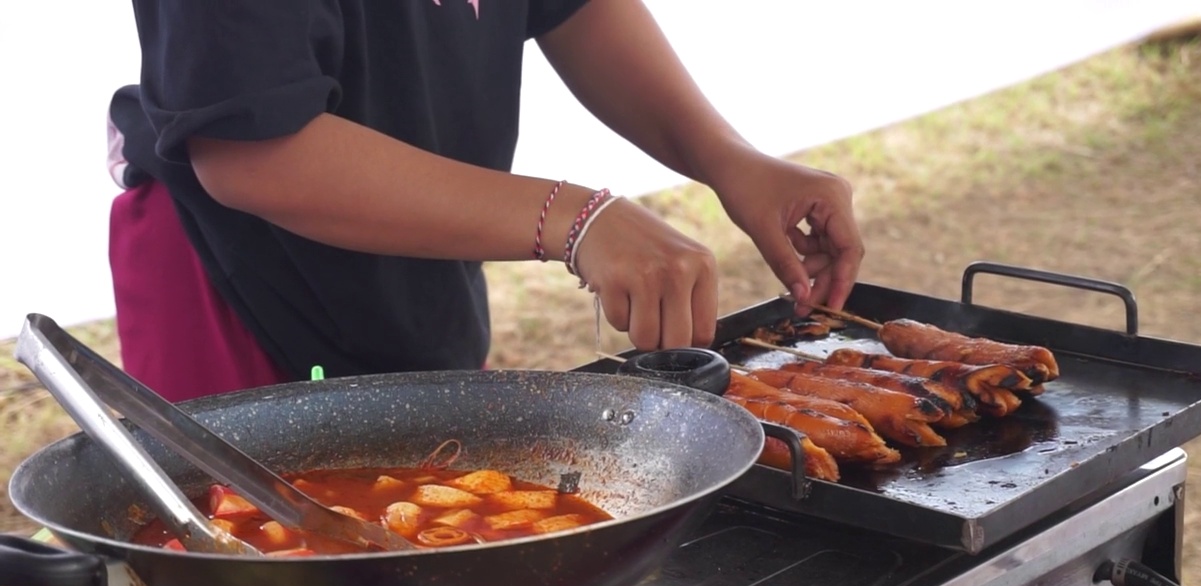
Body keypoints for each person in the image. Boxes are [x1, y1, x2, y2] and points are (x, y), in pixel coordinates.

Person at [107, 0, 865, 403]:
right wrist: (575, 218)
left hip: (414, 245)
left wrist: (728, 159)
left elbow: (572, 5)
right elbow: (254, 151)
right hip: (240, 279)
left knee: (439, 536)